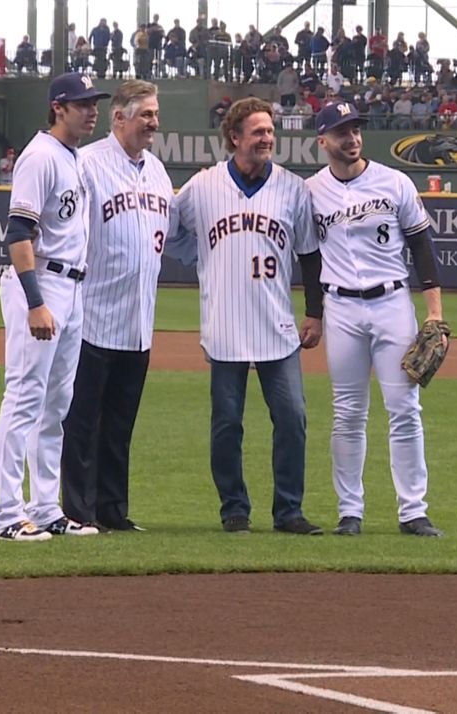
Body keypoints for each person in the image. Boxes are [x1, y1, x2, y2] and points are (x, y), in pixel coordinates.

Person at [166, 97, 326, 535]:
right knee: (226, 424)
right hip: (225, 325)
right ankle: (233, 507)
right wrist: (200, 255)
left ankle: (289, 510)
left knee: (293, 417)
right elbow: (167, 230)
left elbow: (310, 256)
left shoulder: (294, 188)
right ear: (234, 138)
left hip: (277, 325)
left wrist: (315, 313)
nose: (268, 139)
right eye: (258, 132)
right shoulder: (203, 187)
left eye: (270, 132)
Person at [304, 101, 447, 538]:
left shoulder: (394, 182)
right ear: (322, 141)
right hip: (342, 308)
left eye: (356, 129)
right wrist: (314, 314)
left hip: (391, 303)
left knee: (404, 409)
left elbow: (423, 246)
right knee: (347, 413)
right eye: (342, 131)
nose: (352, 137)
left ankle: (413, 512)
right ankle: (350, 512)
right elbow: (309, 259)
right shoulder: (310, 191)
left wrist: (435, 313)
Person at [0, 72, 110, 542]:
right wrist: (35, 302)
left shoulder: (73, 157)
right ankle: (6, 515)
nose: (92, 109)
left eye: (94, 102)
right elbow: (18, 233)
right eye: (82, 103)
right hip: (41, 284)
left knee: (56, 404)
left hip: (73, 287)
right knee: (23, 398)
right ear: (58, 107)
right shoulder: (39, 156)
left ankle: (43, 508)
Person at [60, 81, 171, 533]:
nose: (154, 122)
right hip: (91, 317)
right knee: (82, 423)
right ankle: (76, 510)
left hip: (138, 322)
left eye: (155, 113)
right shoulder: (86, 165)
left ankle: (111, 509)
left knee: (120, 426)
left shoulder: (159, 172)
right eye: (145, 114)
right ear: (118, 118)